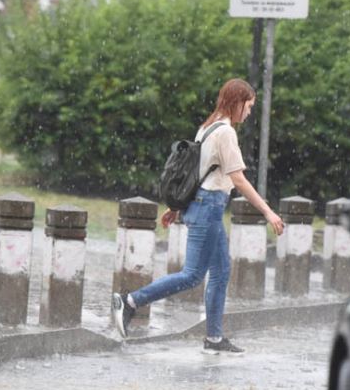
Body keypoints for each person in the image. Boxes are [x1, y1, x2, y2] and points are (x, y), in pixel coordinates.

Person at [111, 78, 285, 354]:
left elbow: (196, 174)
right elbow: (237, 179)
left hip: (206, 205)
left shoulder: (207, 127)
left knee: (220, 273)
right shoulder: (225, 132)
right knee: (192, 275)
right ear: (237, 102)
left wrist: (178, 207)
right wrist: (268, 212)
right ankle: (129, 301)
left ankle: (214, 339)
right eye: (249, 106)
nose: (249, 112)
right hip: (208, 207)